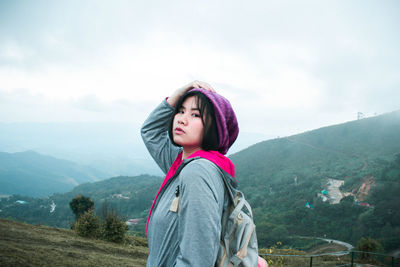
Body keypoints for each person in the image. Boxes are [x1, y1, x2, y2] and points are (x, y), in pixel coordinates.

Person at [141, 80, 239, 266]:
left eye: (195, 114)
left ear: (215, 127)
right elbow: (150, 132)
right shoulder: (181, 163)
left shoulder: (198, 173)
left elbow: (196, 260)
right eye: (181, 110)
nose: (181, 119)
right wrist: (176, 96)